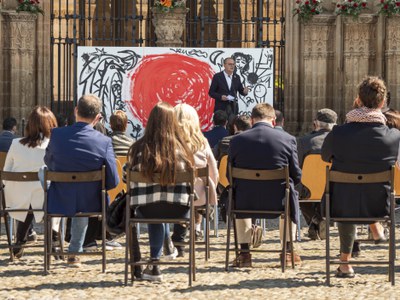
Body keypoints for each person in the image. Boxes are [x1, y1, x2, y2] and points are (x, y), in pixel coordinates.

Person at [322, 76, 400, 278]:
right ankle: (375, 226)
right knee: (362, 191)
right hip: (379, 204)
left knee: (347, 194)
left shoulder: (338, 133)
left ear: (358, 99)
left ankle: (345, 263)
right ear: (382, 103)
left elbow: (324, 157)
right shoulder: (394, 136)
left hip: (340, 204)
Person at [44, 94, 119, 267]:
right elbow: (113, 180)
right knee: (82, 197)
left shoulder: (56, 134)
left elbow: (48, 162)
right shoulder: (104, 141)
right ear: (98, 117)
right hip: (91, 202)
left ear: (76, 111)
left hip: (58, 199)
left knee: (49, 177)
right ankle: (74, 252)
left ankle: (66, 243)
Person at [228, 103, 302, 267]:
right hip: (279, 200)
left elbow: (229, 175)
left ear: (252, 121)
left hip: (245, 201)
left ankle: (245, 253)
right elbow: (296, 174)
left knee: (238, 192)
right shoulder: (288, 139)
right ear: (274, 121)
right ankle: (287, 252)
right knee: (291, 195)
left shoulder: (237, 140)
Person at [127, 102, 195, 282]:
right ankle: (161, 256)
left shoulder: (138, 149)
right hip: (179, 209)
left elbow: (128, 179)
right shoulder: (183, 151)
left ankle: (155, 262)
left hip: (145, 210)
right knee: (161, 203)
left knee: (154, 206)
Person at [3, 107, 58, 258]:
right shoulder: (53, 146)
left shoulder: (15, 144)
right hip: (46, 198)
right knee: (48, 193)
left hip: (17, 198)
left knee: (29, 198)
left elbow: (6, 173)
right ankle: (54, 239)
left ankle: (20, 240)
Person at [174, 103, 219, 242]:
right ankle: (197, 227)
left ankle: (180, 232)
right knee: (199, 186)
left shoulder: (169, 143)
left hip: (173, 197)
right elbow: (213, 172)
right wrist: (211, 189)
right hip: (200, 197)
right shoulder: (203, 143)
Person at [297, 108, 337, 240]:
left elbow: (298, 167)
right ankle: (319, 221)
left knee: (299, 188)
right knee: (325, 188)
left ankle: (315, 221)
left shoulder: (304, 141)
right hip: (334, 190)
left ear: (315, 124)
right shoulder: (340, 142)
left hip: (309, 190)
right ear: (335, 125)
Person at [208, 57, 249, 122]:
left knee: (232, 127)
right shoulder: (217, 76)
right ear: (224, 65)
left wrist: (245, 92)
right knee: (221, 127)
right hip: (221, 108)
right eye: (230, 64)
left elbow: (241, 90)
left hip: (233, 108)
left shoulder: (236, 77)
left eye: (233, 64)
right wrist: (221, 97)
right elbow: (211, 92)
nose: (232, 66)